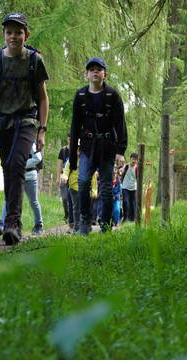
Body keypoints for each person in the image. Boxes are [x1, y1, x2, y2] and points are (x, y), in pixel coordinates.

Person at [0, 13, 49, 245]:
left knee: (17, 163)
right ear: (4, 34)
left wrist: (42, 130)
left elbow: (42, 98)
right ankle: (11, 220)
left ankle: (13, 223)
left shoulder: (34, 61)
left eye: (18, 32)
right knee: (8, 167)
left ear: (26, 35)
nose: (13, 36)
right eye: (9, 32)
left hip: (27, 120)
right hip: (1, 122)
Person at [69, 57, 128, 234]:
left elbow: (120, 124)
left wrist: (120, 150)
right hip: (87, 147)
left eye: (99, 69)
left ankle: (106, 225)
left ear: (105, 74)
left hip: (107, 147)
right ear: (86, 74)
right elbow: (75, 125)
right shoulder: (80, 96)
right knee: (84, 181)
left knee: (106, 188)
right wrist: (73, 158)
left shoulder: (113, 95)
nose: (95, 72)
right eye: (91, 69)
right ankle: (84, 223)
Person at [0, 142, 44, 235]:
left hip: (30, 176)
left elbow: (38, 158)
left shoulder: (29, 142)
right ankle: (2, 225)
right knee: (9, 200)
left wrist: (21, 164)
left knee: (33, 201)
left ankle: (39, 225)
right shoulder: (11, 142)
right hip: (16, 175)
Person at [56, 133, 72, 225]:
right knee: (65, 197)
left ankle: (72, 216)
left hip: (73, 176)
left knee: (73, 197)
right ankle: (67, 214)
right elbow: (59, 165)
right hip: (63, 176)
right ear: (67, 139)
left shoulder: (77, 150)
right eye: (69, 139)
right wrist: (58, 177)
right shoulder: (63, 150)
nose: (70, 140)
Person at [121, 153, 139, 222]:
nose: (134, 161)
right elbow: (121, 174)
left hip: (134, 188)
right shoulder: (126, 166)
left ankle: (132, 219)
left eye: (135, 160)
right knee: (126, 202)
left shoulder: (137, 168)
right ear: (130, 159)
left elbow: (138, 178)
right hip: (125, 187)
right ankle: (125, 217)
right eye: (133, 159)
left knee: (133, 204)